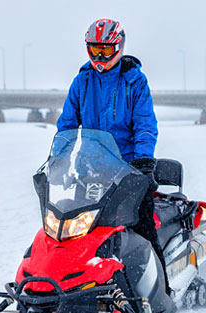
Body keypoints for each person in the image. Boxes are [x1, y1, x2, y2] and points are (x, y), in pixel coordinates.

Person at [56, 18, 161, 259]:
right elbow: (67, 125)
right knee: (75, 231)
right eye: (95, 50)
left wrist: (143, 163)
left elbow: (145, 125)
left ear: (119, 47)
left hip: (128, 172)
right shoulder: (82, 81)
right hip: (89, 171)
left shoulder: (134, 81)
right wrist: (60, 160)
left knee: (143, 229)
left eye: (105, 50)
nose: (100, 57)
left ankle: (162, 287)